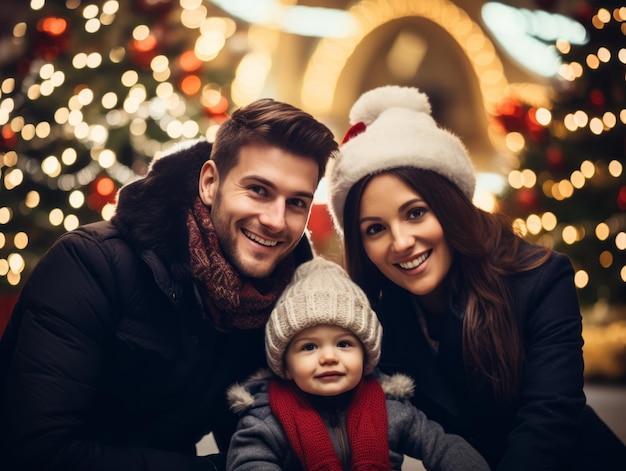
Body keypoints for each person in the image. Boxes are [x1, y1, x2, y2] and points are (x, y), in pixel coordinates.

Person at [0, 98, 338, 470]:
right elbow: (37, 451)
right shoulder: (90, 263)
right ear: (210, 183)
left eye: (296, 203)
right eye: (259, 190)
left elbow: (258, 436)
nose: (275, 220)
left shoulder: (280, 298)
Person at [326, 85, 626, 470]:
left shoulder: (540, 278)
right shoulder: (378, 318)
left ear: (450, 207)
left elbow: (549, 421)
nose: (401, 242)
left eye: (415, 213)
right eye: (374, 229)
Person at [225, 256, 490, 470]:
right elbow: (248, 462)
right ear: (285, 366)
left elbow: (441, 445)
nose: (329, 357)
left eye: (343, 344)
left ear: (366, 357)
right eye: (309, 347)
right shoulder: (265, 419)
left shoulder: (392, 410)